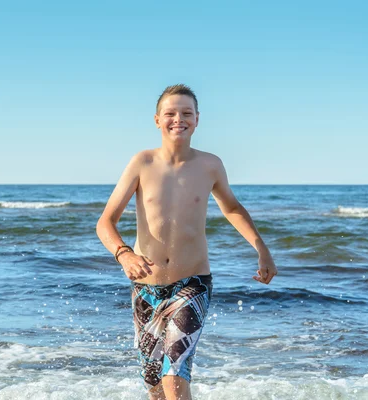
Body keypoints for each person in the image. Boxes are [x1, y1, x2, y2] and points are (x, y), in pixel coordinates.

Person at [96, 84, 278, 400]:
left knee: (174, 374)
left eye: (186, 113)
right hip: (146, 289)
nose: (178, 119)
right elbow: (105, 221)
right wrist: (124, 254)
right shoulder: (142, 163)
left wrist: (262, 249)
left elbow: (232, 208)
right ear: (157, 120)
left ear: (197, 120)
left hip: (192, 284)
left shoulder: (210, 165)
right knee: (154, 384)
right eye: (170, 113)